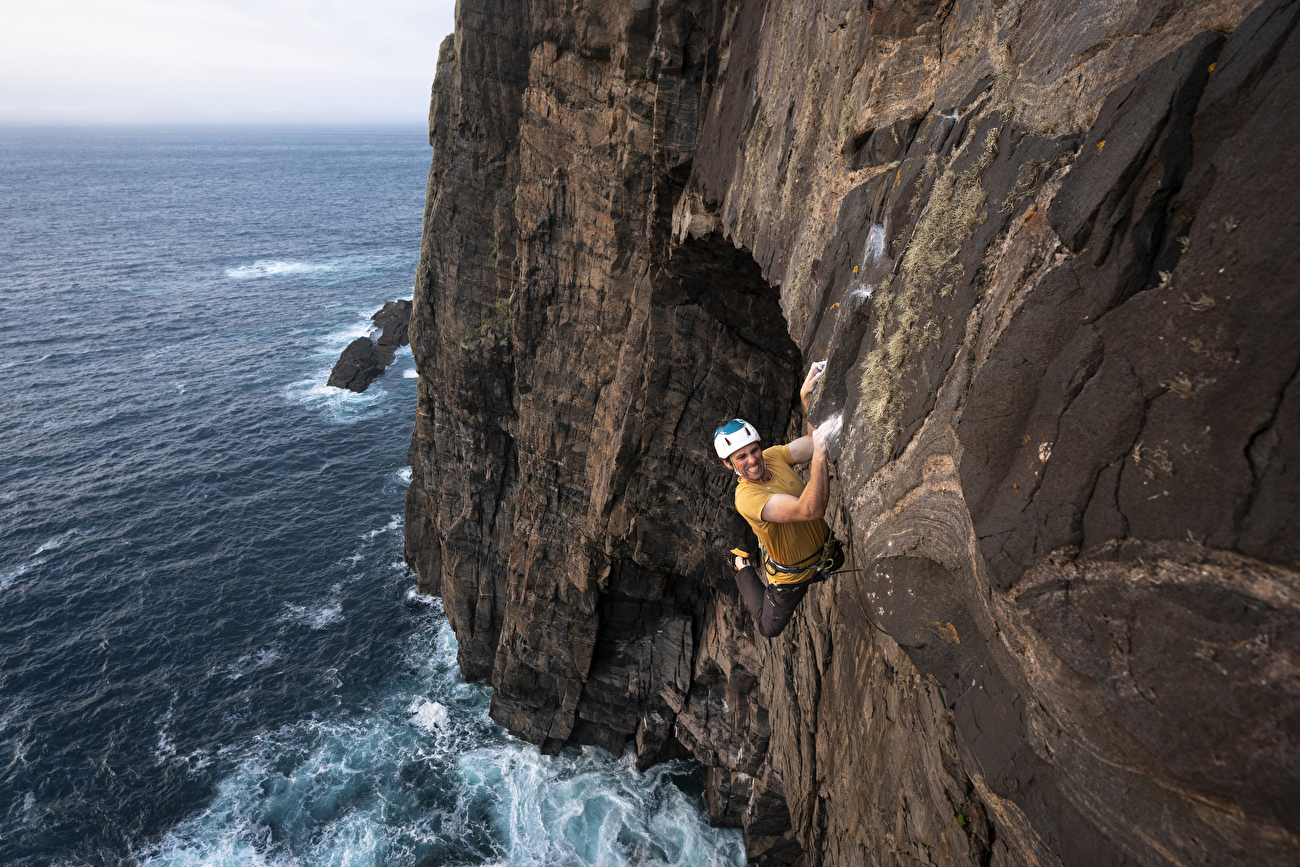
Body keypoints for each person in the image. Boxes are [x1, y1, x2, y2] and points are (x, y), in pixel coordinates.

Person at [714, 361, 840, 638]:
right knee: (768, 628)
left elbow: (810, 441)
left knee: (837, 560)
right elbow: (811, 509)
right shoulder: (746, 498)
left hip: (823, 552)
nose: (753, 460)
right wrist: (820, 454)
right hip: (789, 578)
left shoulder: (773, 456)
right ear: (728, 464)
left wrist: (806, 398)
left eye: (754, 450)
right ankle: (741, 565)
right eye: (741, 457)